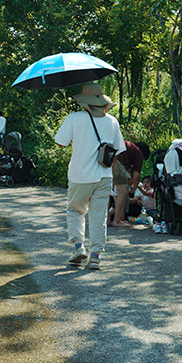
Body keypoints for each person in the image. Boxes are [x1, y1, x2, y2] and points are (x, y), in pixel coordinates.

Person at [55, 83, 125, 270]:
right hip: (104, 176)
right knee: (99, 216)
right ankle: (95, 256)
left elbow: (60, 143)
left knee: (75, 211)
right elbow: (117, 150)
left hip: (80, 175)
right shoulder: (112, 121)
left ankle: (79, 247)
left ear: (84, 102)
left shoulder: (74, 118)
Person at [110, 141, 150, 227]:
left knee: (107, 191)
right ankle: (117, 220)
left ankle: (107, 220)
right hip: (117, 161)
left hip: (108, 159)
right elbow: (136, 175)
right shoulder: (138, 153)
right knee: (124, 192)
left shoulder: (129, 147)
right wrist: (134, 187)